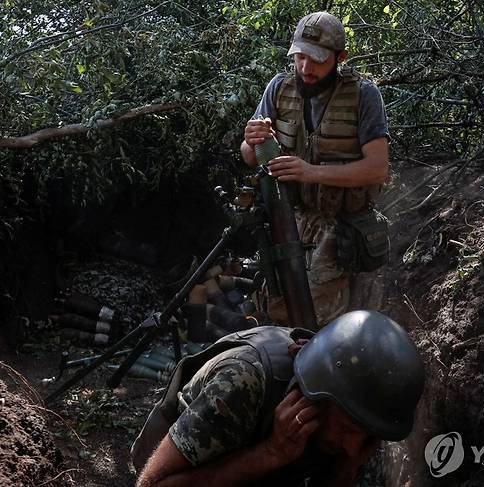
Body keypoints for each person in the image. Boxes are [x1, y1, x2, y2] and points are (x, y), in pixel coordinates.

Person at [132, 310, 425, 486]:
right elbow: (151, 484)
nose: (352, 447)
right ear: (314, 397)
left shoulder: (364, 420)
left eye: (364, 437)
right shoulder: (243, 384)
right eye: (348, 430)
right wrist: (271, 453)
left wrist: (344, 471)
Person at [240, 11, 390, 326]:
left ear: (340, 58)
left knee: (316, 320)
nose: (306, 69)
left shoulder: (363, 95)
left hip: (340, 225)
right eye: (300, 58)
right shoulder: (279, 88)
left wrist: (310, 172)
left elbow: (377, 169)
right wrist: (251, 140)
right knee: (275, 304)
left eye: (317, 60)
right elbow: (250, 157)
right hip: (288, 217)